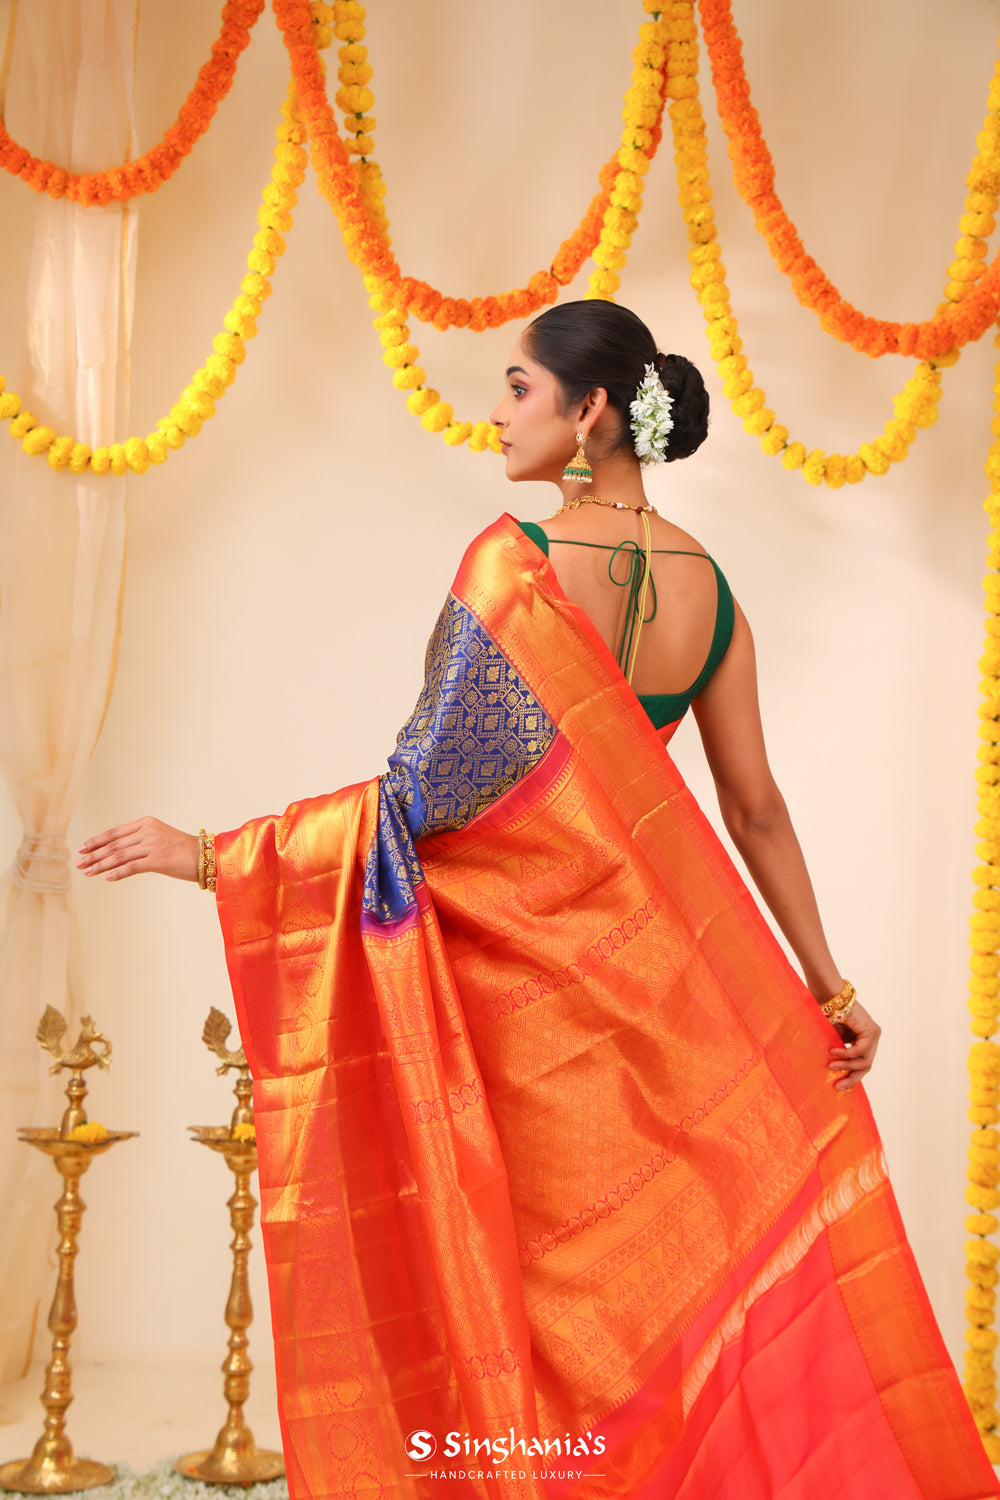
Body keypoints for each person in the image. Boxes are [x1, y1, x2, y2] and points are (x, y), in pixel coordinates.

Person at [79, 302, 997, 1499]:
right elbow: (756, 808)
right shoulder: (710, 592)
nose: (496, 414)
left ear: (590, 408)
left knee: (519, 1296)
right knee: (635, 1295)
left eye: (517, 387)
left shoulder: (511, 569)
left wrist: (210, 854)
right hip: (654, 995)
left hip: (511, 1004)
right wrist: (832, 990)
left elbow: (418, 799)